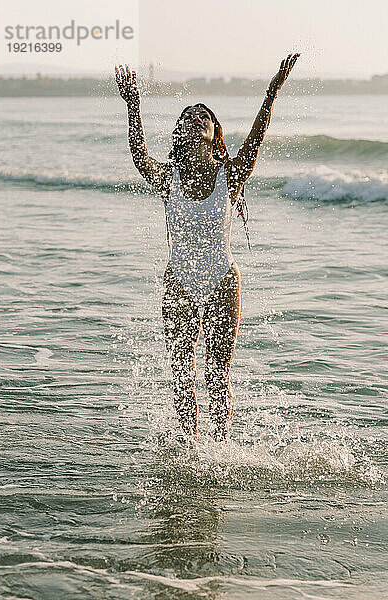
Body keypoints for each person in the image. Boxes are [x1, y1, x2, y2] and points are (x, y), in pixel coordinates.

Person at [115, 54, 300, 441]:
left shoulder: (230, 176)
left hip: (222, 281)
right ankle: (189, 451)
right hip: (178, 283)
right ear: (180, 132)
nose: (195, 118)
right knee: (182, 379)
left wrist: (272, 91)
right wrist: (134, 107)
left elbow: (256, 140)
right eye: (187, 116)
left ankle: (218, 447)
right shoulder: (168, 178)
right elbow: (138, 157)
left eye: (204, 116)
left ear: (216, 134)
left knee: (218, 378)